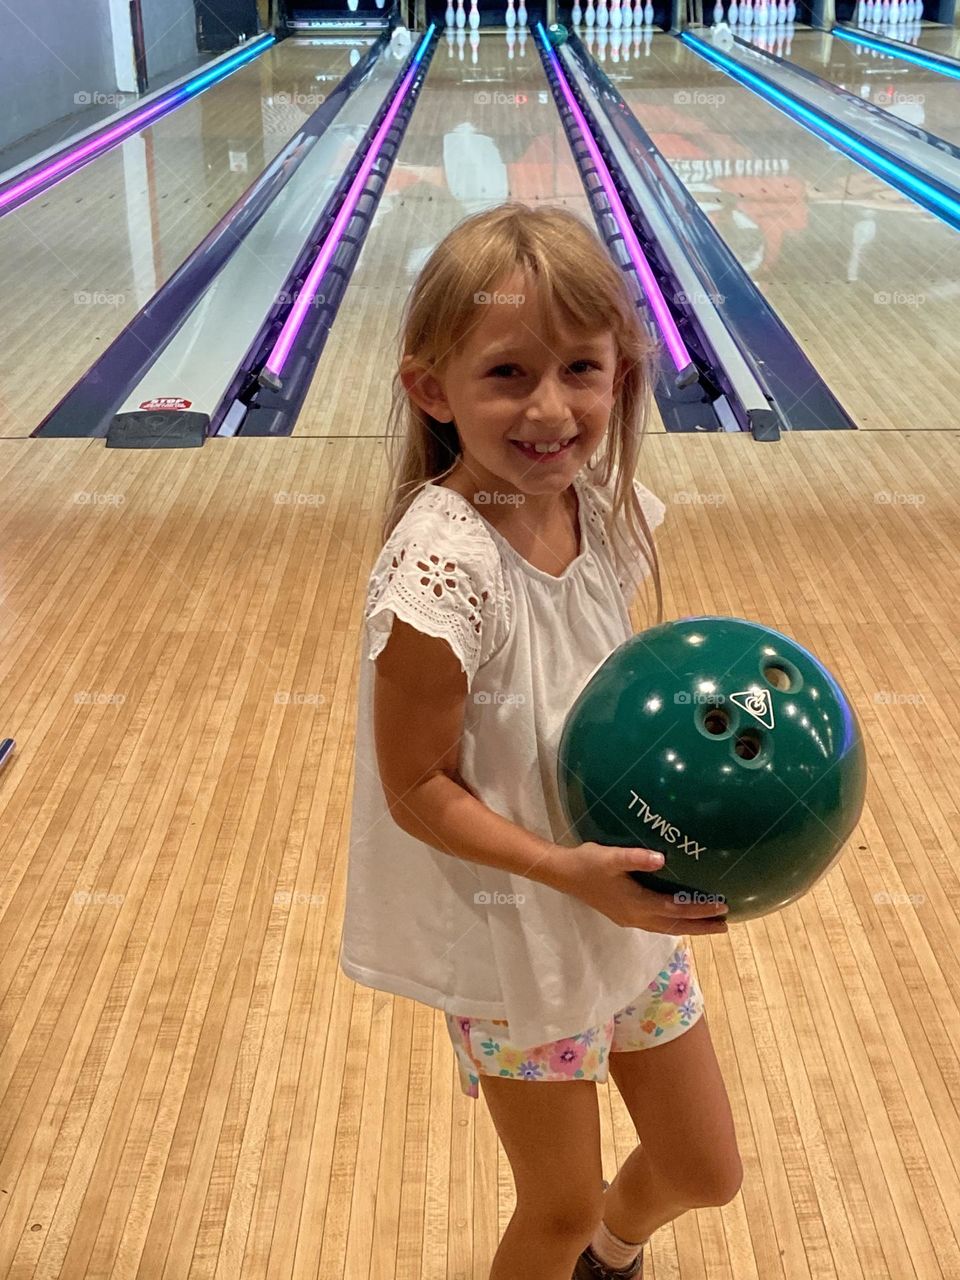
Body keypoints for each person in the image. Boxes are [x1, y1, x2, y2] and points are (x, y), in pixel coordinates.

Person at [339, 203, 742, 1280]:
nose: (551, 406)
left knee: (706, 1168)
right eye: (508, 373)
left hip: (618, 899)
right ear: (433, 389)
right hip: (517, 926)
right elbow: (416, 783)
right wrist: (563, 870)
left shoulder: (603, 513)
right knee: (556, 1202)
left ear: (624, 372)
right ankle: (583, 1246)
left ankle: (618, 1253)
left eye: (580, 366)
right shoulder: (441, 566)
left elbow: (605, 705)